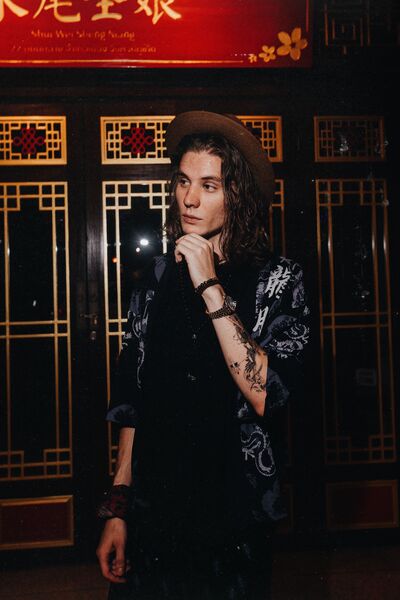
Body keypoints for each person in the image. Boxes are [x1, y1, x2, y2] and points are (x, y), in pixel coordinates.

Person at [96, 111, 310, 599]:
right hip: (154, 509)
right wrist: (118, 510)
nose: (189, 198)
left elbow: (265, 393)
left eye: (209, 185)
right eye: (183, 181)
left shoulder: (278, 280)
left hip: (232, 514)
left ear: (238, 196)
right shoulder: (156, 279)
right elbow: (134, 402)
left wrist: (210, 285)